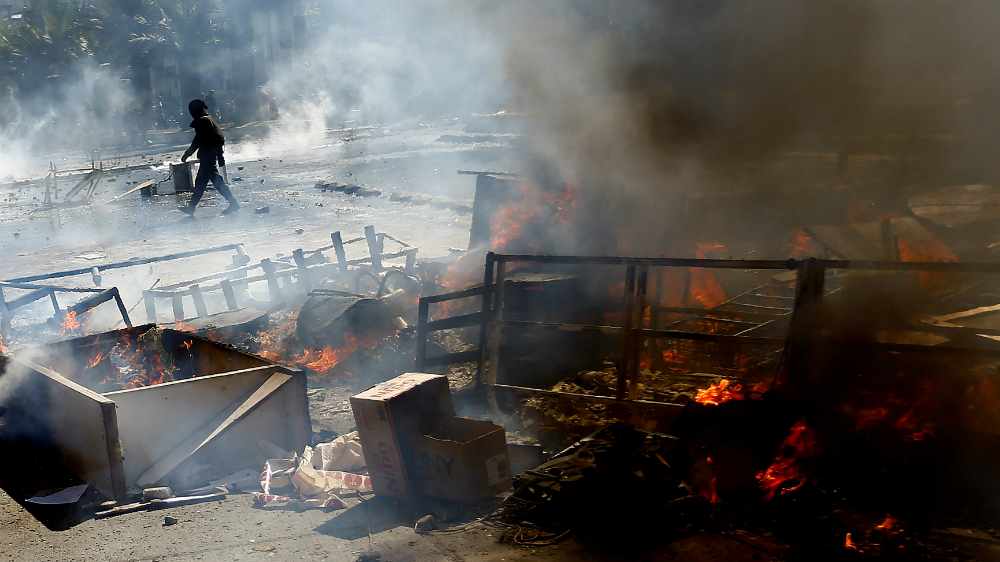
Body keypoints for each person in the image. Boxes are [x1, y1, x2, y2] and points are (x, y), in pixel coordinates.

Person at [179, 99, 239, 216]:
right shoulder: (208, 119)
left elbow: (198, 140)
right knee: (203, 183)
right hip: (210, 155)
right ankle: (191, 208)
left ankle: (233, 203)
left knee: (214, 182)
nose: (190, 112)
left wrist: (187, 154)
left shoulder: (202, 121)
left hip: (208, 156)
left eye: (191, 110)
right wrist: (220, 155)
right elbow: (218, 137)